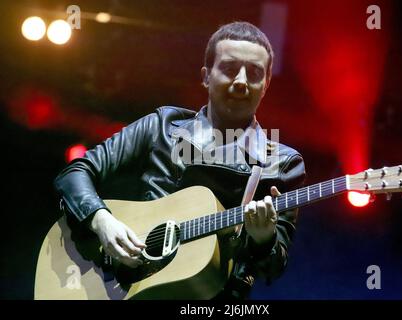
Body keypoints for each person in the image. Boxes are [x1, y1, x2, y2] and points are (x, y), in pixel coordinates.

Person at [54, 21, 306, 299]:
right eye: (230, 68)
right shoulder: (162, 125)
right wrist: (101, 220)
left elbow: (273, 267)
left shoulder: (281, 162)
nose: (242, 81)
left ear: (266, 85)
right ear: (206, 76)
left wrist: (264, 239)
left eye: (255, 73)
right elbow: (75, 172)